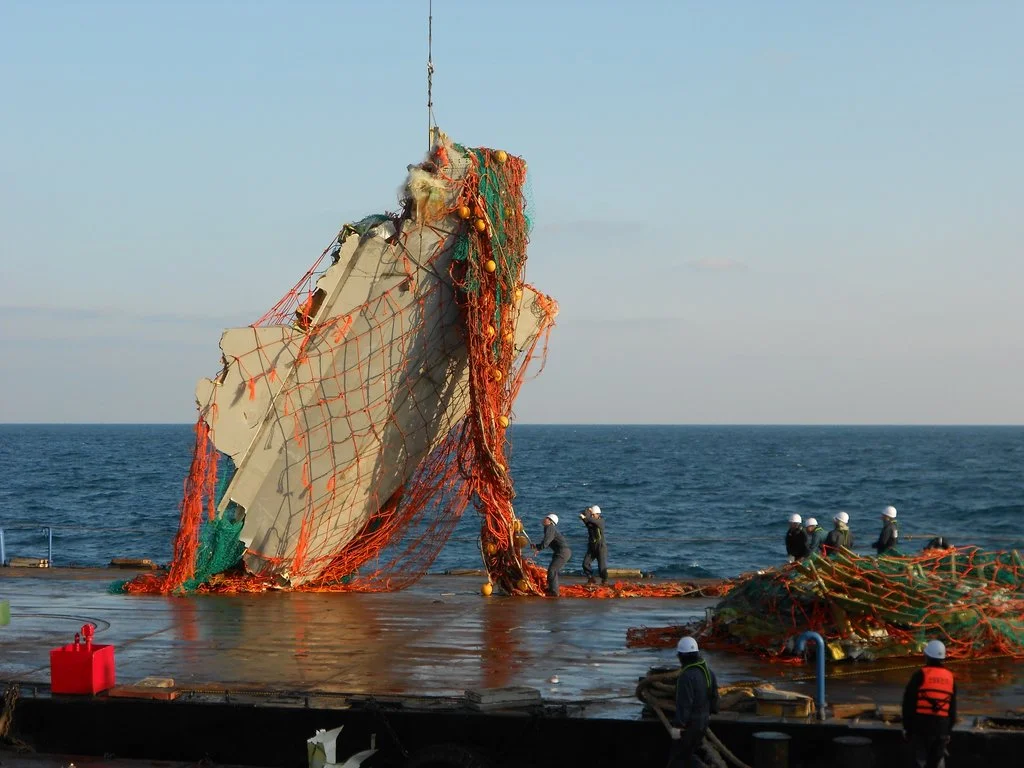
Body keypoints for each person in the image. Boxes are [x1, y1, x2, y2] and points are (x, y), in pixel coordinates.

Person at [902, 639, 957, 768]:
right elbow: (952, 708)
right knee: (938, 760)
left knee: (920, 760)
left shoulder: (920, 675)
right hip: (941, 728)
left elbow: (908, 703)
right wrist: (948, 731)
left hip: (921, 726)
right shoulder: (950, 677)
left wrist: (907, 728)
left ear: (926, 656)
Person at [667, 636, 720, 768]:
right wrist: (711, 712)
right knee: (689, 754)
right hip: (703, 723)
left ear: (681, 656)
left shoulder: (686, 676)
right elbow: (714, 698)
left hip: (689, 726)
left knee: (680, 758)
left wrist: (678, 726)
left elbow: (684, 705)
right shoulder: (708, 672)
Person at [534, 514, 571, 597]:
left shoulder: (550, 528)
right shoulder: (549, 528)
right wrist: (537, 546)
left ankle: (554, 592)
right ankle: (552, 588)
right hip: (560, 552)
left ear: (550, 521)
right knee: (552, 570)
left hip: (562, 552)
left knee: (552, 570)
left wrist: (539, 548)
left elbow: (546, 542)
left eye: (547, 518)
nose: (544, 519)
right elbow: (547, 541)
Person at [579, 505, 608, 585]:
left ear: (597, 514)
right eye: (591, 515)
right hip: (592, 547)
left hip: (600, 547)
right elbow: (587, 519)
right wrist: (587, 510)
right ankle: (590, 578)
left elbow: (588, 519)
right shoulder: (590, 522)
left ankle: (604, 580)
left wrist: (586, 517)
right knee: (585, 563)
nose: (592, 516)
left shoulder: (601, 521)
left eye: (593, 514)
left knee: (601, 566)